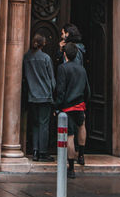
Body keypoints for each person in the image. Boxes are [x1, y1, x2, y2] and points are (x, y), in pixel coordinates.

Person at [54, 41, 90, 176]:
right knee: (82, 126)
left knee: (70, 136)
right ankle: (81, 155)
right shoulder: (82, 69)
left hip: (67, 107)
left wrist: (57, 106)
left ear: (65, 54)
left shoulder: (63, 68)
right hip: (80, 105)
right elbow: (87, 90)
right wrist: (85, 103)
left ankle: (71, 167)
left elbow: (61, 90)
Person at [22, 33, 55, 161]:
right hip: (44, 96)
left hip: (32, 96)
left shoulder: (26, 58)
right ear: (43, 44)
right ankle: (43, 152)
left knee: (35, 124)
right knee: (44, 124)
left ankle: (35, 151)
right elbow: (52, 79)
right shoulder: (46, 58)